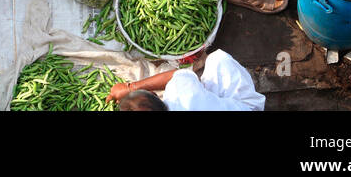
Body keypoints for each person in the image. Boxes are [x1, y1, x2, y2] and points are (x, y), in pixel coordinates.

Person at [110, 50, 265, 111]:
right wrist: (131, 87)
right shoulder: (182, 94)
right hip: (246, 108)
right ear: (155, 94)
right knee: (218, 59)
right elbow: (177, 75)